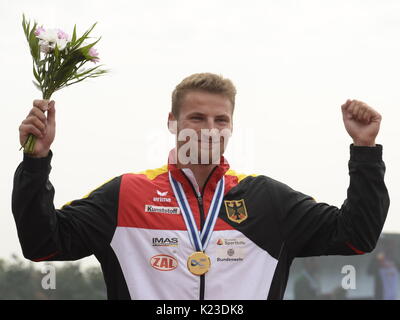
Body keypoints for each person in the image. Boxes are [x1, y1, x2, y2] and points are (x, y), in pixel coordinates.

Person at [12, 73, 390, 300]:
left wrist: (365, 152)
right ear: (172, 122)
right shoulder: (126, 194)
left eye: (220, 119)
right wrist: (35, 162)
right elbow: (42, 244)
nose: (209, 128)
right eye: (197, 117)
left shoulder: (268, 200)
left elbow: (356, 236)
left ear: (231, 126)